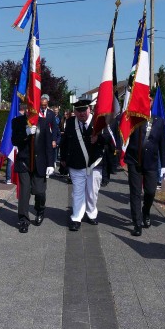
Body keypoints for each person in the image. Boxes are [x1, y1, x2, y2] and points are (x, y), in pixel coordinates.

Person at [60, 99, 107, 231]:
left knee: (92, 193)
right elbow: (64, 142)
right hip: (76, 163)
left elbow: (110, 141)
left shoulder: (99, 122)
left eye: (84, 110)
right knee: (78, 192)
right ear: (75, 111)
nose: (81, 114)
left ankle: (91, 213)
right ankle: (76, 217)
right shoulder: (70, 123)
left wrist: (99, 138)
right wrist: (63, 158)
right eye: (78, 111)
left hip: (94, 164)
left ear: (89, 109)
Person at [12, 104, 53, 233]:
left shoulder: (44, 122)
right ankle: (23, 220)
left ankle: (40, 210)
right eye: (27, 108)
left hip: (40, 163)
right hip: (24, 162)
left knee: (39, 191)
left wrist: (50, 164)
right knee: (24, 192)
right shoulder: (17, 121)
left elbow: (48, 145)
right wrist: (26, 132)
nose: (30, 110)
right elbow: (14, 140)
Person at [125, 114, 165, 236]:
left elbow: (162, 144)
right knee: (135, 193)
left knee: (150, 192)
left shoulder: (159, 121)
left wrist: (164, 165)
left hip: (151, 162)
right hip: (134, 160)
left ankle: (146, 211)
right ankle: (137, 224)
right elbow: (123, 131)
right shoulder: (133, 119)